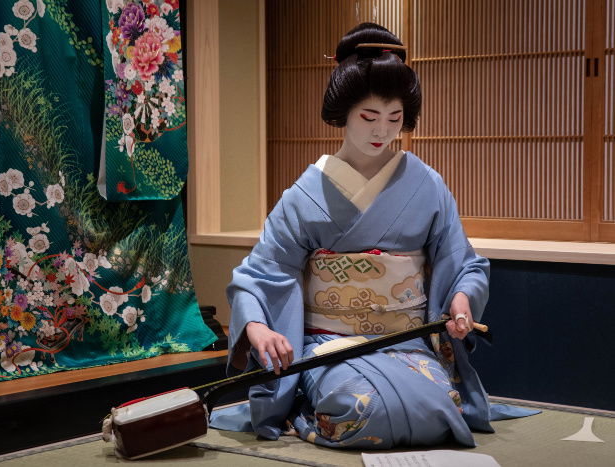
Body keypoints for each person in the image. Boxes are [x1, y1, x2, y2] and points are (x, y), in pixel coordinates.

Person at [213, 23, 515, 449]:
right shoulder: (304, 195)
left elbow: (461, 261)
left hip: (405, 343)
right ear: (344, 113)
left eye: (395, 119)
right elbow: (261, 272)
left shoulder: (426, 185)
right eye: (369, 117)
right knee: (360, 408)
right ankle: (302, 399)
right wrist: (259, 327)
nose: (382, 131)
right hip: (329, 344)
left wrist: (461, 300)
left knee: (437, 408)